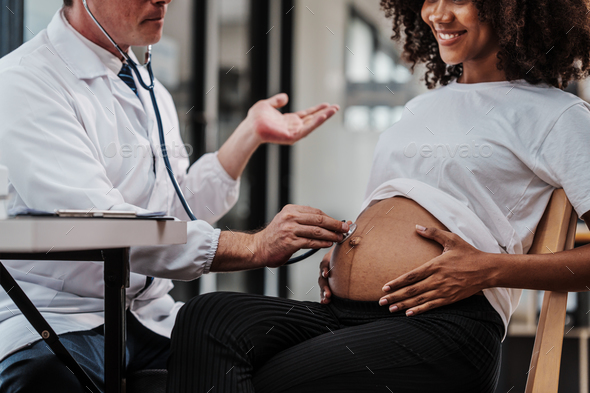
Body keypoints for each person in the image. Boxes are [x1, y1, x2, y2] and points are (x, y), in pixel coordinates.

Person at [166, 0, 590, 392]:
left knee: (268, 379)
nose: (438, 14)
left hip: (443, 325)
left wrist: (490, 270)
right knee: (206, 318)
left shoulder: (557, 116)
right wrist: (345, 253)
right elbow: (392, 210)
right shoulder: (420, 109)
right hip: (347, 315)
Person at [0, 0, 349, 392]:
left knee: (288, 359)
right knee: (50, 379)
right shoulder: (25, 81)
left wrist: (250, 134)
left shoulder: (148, 89)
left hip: (149, 314)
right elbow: (103, 224)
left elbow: (175, 212)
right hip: (61, 317)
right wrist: (254, 247)